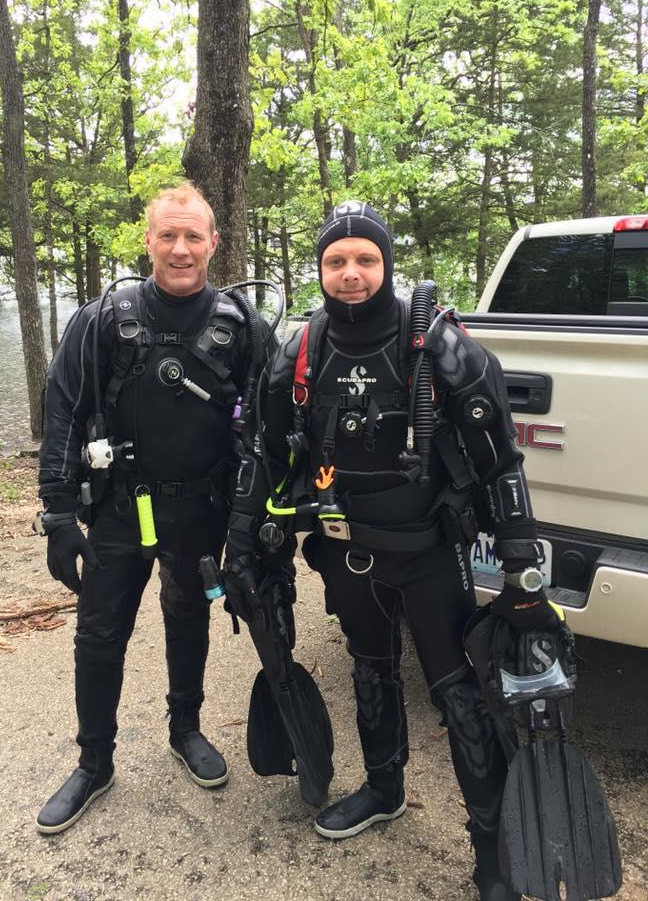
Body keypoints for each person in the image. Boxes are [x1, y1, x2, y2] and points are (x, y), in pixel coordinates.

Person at [222, 201, 557, 900]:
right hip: (346, 552)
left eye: (365, 259)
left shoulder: (439, 346)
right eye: (336, 261)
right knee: (369, 669)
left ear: (387, 264)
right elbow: (266, 451)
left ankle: (493, 853)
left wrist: (523, 563)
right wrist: (245, 537)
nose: (350, 273)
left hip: (431, 552)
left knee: (459, 695)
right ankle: (383, 789)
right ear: (320, 269)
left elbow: (500, 461)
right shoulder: (300, 350)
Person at [35, 183, 271, 834]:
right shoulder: (103, 320)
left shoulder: (242, 327)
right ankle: (93, 763)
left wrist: (261, 521)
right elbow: (62, 409)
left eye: (193, 236)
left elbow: (276, 422)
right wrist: (56, 513)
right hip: (117, 510)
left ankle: (186, 728)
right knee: (98, 636)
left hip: (201, 510)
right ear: (149, 241)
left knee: (188, 616)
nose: (180, 248)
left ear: (213, 244)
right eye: (168, 235)